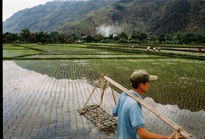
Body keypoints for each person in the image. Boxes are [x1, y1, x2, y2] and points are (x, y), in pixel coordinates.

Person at [112, 70, 184, 139]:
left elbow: (114, 113)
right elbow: (142, 134)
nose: (149, 84)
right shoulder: (134, 105)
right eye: (148, 82)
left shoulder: (124, 95)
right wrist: (168, 138)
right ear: (141, 85)